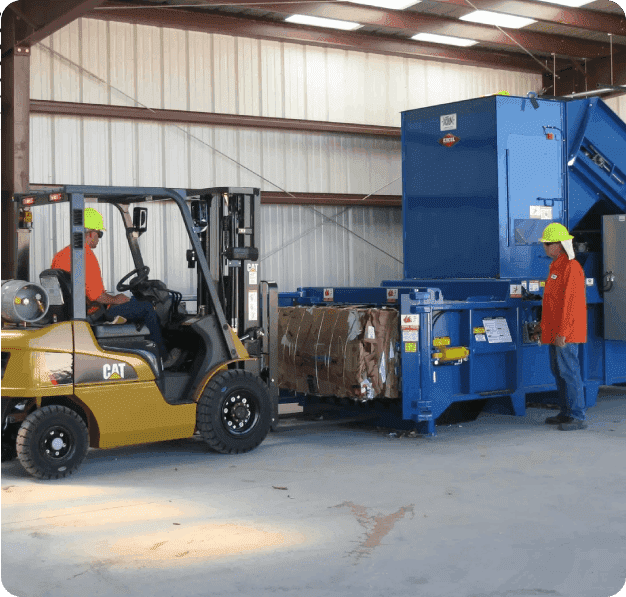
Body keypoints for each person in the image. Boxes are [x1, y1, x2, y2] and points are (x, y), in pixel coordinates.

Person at [51, 207, 180, 368]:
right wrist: (116, 299)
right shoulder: (86, 256)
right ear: (91, 233)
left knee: (133, 303)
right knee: (147, 308)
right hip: (95, 312)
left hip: (78, 311)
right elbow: (96, 296)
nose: (99, 239)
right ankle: (162, 358)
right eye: (99, 234)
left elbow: (83, 291)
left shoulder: (61, 255)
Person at [533, 222, 588, 431]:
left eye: (547, 244)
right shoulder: (556, 267)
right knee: (559, 371)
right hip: (555, 331)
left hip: (566, 333)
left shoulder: (571, 268)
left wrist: (563, 333)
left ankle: (577, 415)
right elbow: (554, 303)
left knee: (569, 372)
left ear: (558, 245)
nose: (544, 248)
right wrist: (543, 326)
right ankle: (566, 412)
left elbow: (571, 304)